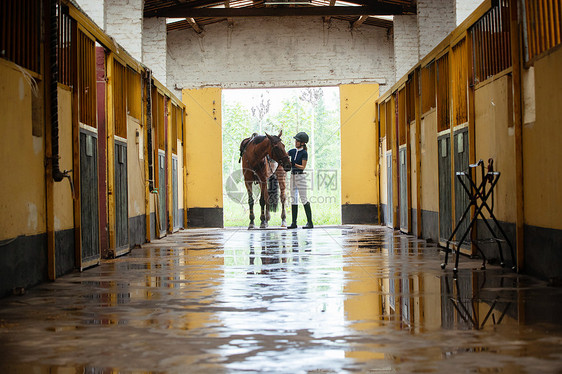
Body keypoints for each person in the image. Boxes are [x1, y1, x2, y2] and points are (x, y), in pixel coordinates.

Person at [287, 132, 313, 229]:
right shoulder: (293, 151)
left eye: (297, 141)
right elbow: (285, 155)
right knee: (293, 198)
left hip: (300, 177)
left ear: (302, 143)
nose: (295, 142)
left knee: (303, 198)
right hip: (292, 176)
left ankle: (310, 222)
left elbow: (303, 167)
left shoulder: (304, 153)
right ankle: (294, 223)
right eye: (295, 140)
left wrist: (293, 164)